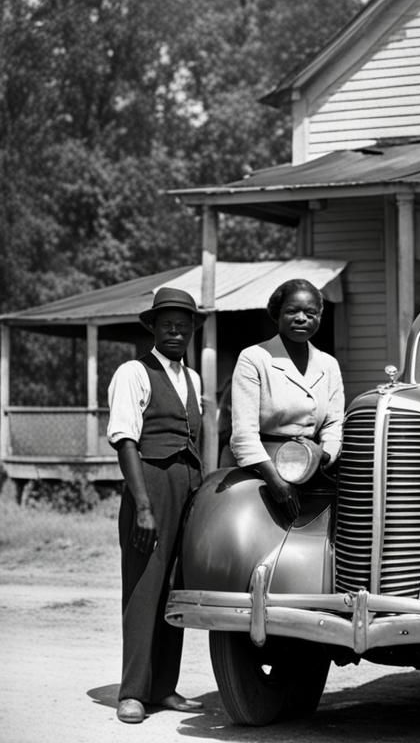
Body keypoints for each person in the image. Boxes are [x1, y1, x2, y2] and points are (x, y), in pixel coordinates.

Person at [106, 287, 207, 724]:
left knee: (174, 589)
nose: (175, 329)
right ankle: (132, 692)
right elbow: (125, 438)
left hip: (188, 488)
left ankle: (164, 687)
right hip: (150, 486)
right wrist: (142, 506)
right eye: (167, 322)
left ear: (191, 330)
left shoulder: (194, 378)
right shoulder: (134, 372)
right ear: (153, 327)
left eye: (183, 323)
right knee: (144, 589)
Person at [229, 279, 345, 518]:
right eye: (292, 311)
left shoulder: (328, 364)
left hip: (317, 467)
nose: (301, 318)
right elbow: (244, 433)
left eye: (310, 313)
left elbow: (334, 424)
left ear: (320, 317)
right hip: (265, 469)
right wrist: (275, 481)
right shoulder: (254, 358)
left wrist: (324, 455)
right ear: (277, 314)